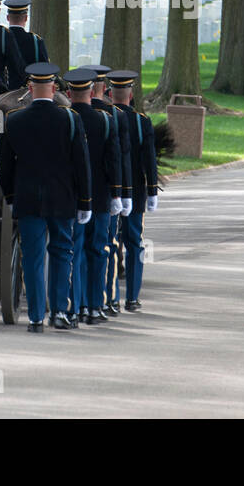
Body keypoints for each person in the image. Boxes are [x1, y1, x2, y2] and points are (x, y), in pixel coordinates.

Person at [0, 62, 92, 332]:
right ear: (54, 88)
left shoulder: (14, 120)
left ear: (29, 88)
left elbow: (5, 165)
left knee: (33, 257)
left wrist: (11, 195)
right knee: (62, 253)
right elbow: (81, 165)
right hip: (62, 199)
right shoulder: (71, 119)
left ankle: (36, 317)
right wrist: (85, 201)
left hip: (27, 199)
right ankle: (59, 312)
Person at [64, 68, 123, 324]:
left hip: (71, 196)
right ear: (91, 92)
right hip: (99, 198)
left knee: (74, 254)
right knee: (98, 251)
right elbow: (114, 160)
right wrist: (118, 194)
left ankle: (74, 307)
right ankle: (94, 306)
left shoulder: (63, 119)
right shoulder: (106, 119)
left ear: (68, 93)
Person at [106, 70, 157, 311]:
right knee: (135, 243)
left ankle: (112, 296)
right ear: (131, 94)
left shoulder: (106, 117)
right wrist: (153, 189)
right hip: (135, 191)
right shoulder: (141, 121)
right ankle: (133, 297)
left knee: (111, 243)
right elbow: (149, 160)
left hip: (110, 191)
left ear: (110, 93)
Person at [90, 64, 131, 316]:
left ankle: (81, 302)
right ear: (105, 89)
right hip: (106, 192)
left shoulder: (69, 113)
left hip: (77, 194)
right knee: (107, 245)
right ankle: (108, 298)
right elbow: (120, 158)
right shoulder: (115, 115)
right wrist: (122, 192)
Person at [4, 0, 49, 67]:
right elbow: (45, 69)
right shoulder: (35, 41)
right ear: (26, 18)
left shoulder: (1, 39)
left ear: (8, 18)